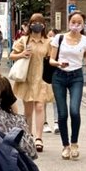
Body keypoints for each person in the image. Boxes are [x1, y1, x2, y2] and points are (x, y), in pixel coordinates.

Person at [48, 11, 86, 160]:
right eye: (73, 22)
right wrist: (58, 63)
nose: (75, 25)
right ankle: (65, 145)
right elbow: (51, 59)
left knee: (75, 110)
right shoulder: (59, 38)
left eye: (79, 23)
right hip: (59, 76)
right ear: (68, 23)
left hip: (76, 76)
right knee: (62, 113)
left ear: (83, 25)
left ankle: (74, 143)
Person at [9, 13, 54, 153]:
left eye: (40, 22)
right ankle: (29, 135)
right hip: (27, 79)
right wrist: (22, 54)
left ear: (44, 25)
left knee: (40, 106)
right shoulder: (23, 40)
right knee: (28, 110)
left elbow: (51, 59)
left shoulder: (49, 42)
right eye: (34, 22)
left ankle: (39, 138)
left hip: (41, 79)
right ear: (30, 25)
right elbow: (11, 55)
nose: (37, 25)